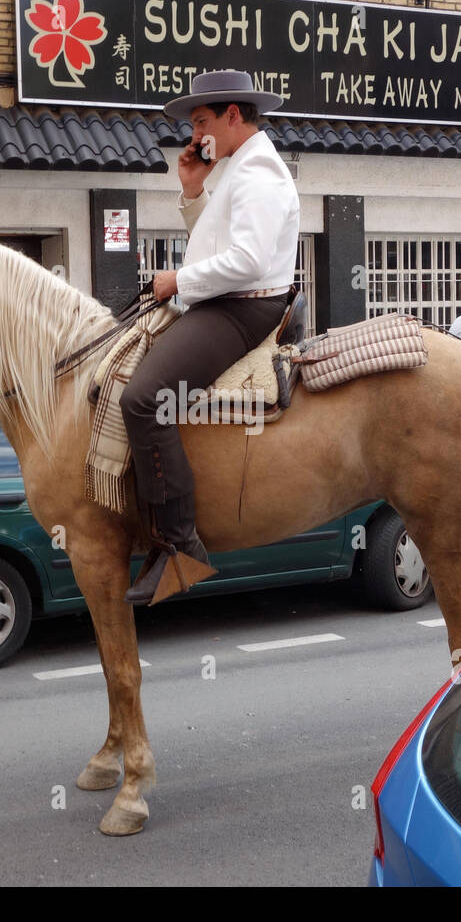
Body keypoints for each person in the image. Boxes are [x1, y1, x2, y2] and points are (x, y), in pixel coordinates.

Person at [120, 69, 301, 605]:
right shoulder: (238, 168)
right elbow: (216, 241)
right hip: (220, 302)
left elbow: (246, 262)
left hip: (241, 310)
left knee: (145, 399)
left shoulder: (259, 173)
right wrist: (193, 189)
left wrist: (177, 281)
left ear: (233, 115)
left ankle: (181, 546)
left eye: (201, 121)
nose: (196, 134)